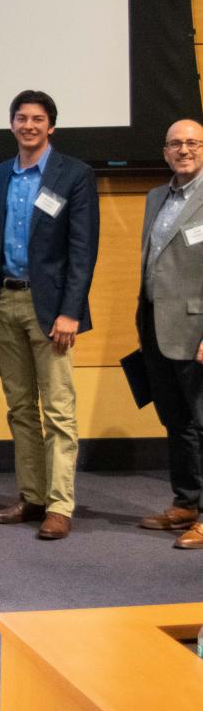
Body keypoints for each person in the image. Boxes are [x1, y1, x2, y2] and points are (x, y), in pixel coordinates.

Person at [0, 90, 99, 541]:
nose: (29, 125)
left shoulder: (74, 175)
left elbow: (83, 249)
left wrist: (70, 312)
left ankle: (60, 505)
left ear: (51, 127)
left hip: (51, 311)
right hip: (4, 302)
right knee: (20, 408)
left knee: (59, 410)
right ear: (12, 124)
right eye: (21, 118)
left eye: (38, 119)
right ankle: (32, 497)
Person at [134, 119, 203, 548]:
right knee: (176, 422)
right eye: (175, 144)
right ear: (164, 152)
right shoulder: (155, 197)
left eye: (193, 143)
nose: (184, 150)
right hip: (156, 325)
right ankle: (186, 502)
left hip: (196, 329)